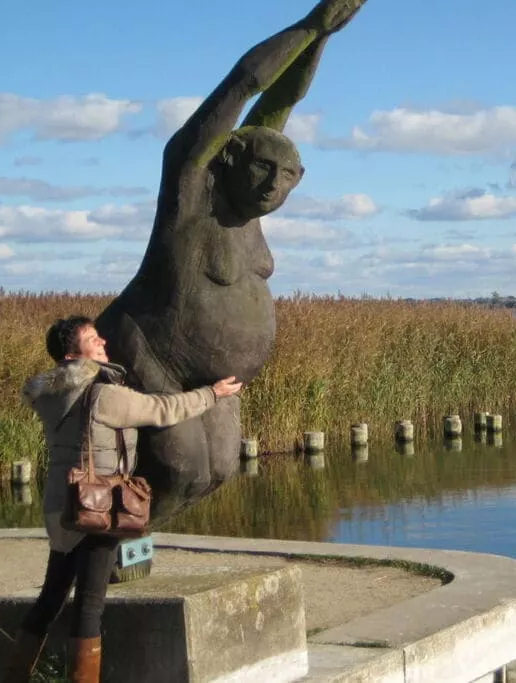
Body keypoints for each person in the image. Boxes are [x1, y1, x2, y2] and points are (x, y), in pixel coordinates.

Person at [94, 0, 369, 523]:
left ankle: (119, 544)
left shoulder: (251, 212)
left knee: (218, 471)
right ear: (229, 158)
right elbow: (244, 87)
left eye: (287, 176)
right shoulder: (191, 189)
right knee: (182, 469)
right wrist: (309, 24)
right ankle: (102, 550)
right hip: (152, 348)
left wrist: (327, 37)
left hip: (217, 378)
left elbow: (284, 98)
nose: (272, 185)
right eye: (263, 168)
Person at [0, 315, 242, 683]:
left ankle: (15, 676)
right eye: (93, 340)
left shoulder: (48, 395)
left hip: (60, 504)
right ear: (72, 353)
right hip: (99, 506)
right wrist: (213, 393)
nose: (103, 344)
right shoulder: (104, 396)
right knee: (90, 602)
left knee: (51, 596)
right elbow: (165, 410)